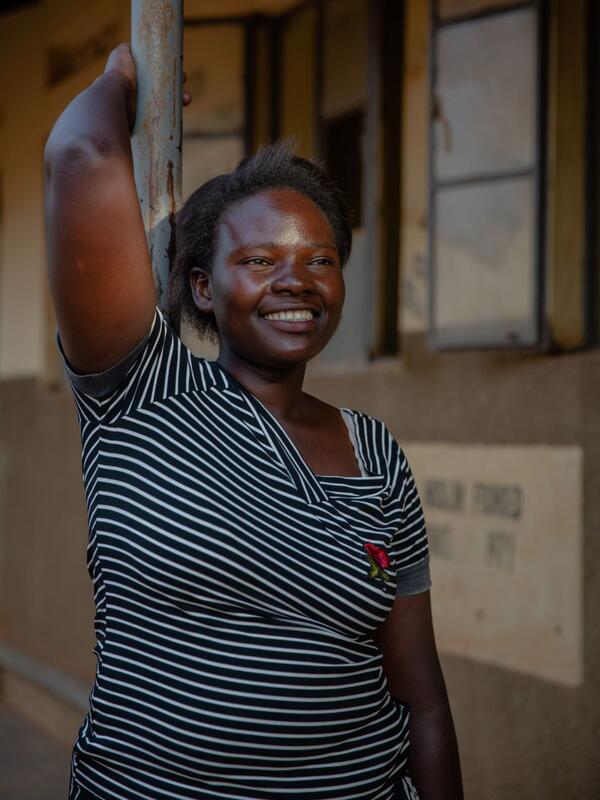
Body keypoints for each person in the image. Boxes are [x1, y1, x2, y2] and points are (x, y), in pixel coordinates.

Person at [44, 42, 463, 800]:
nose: (296, 280)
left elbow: (424, 699)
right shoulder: (142, 395)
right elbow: (79, 152)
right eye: (261, 260)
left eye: (321, 260)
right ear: (202, 287)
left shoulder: (375, 454)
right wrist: (121, 81)